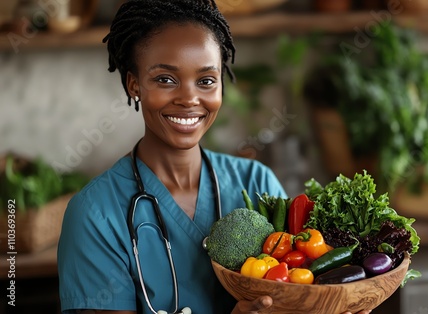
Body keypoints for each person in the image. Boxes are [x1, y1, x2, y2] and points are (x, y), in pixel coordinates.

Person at [57, 1, 372, 313]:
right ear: (134, 84)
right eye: (165, 79)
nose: (189, 98)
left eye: (206, 80)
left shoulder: (256, 183)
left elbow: (299, 287)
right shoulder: (95, 215)